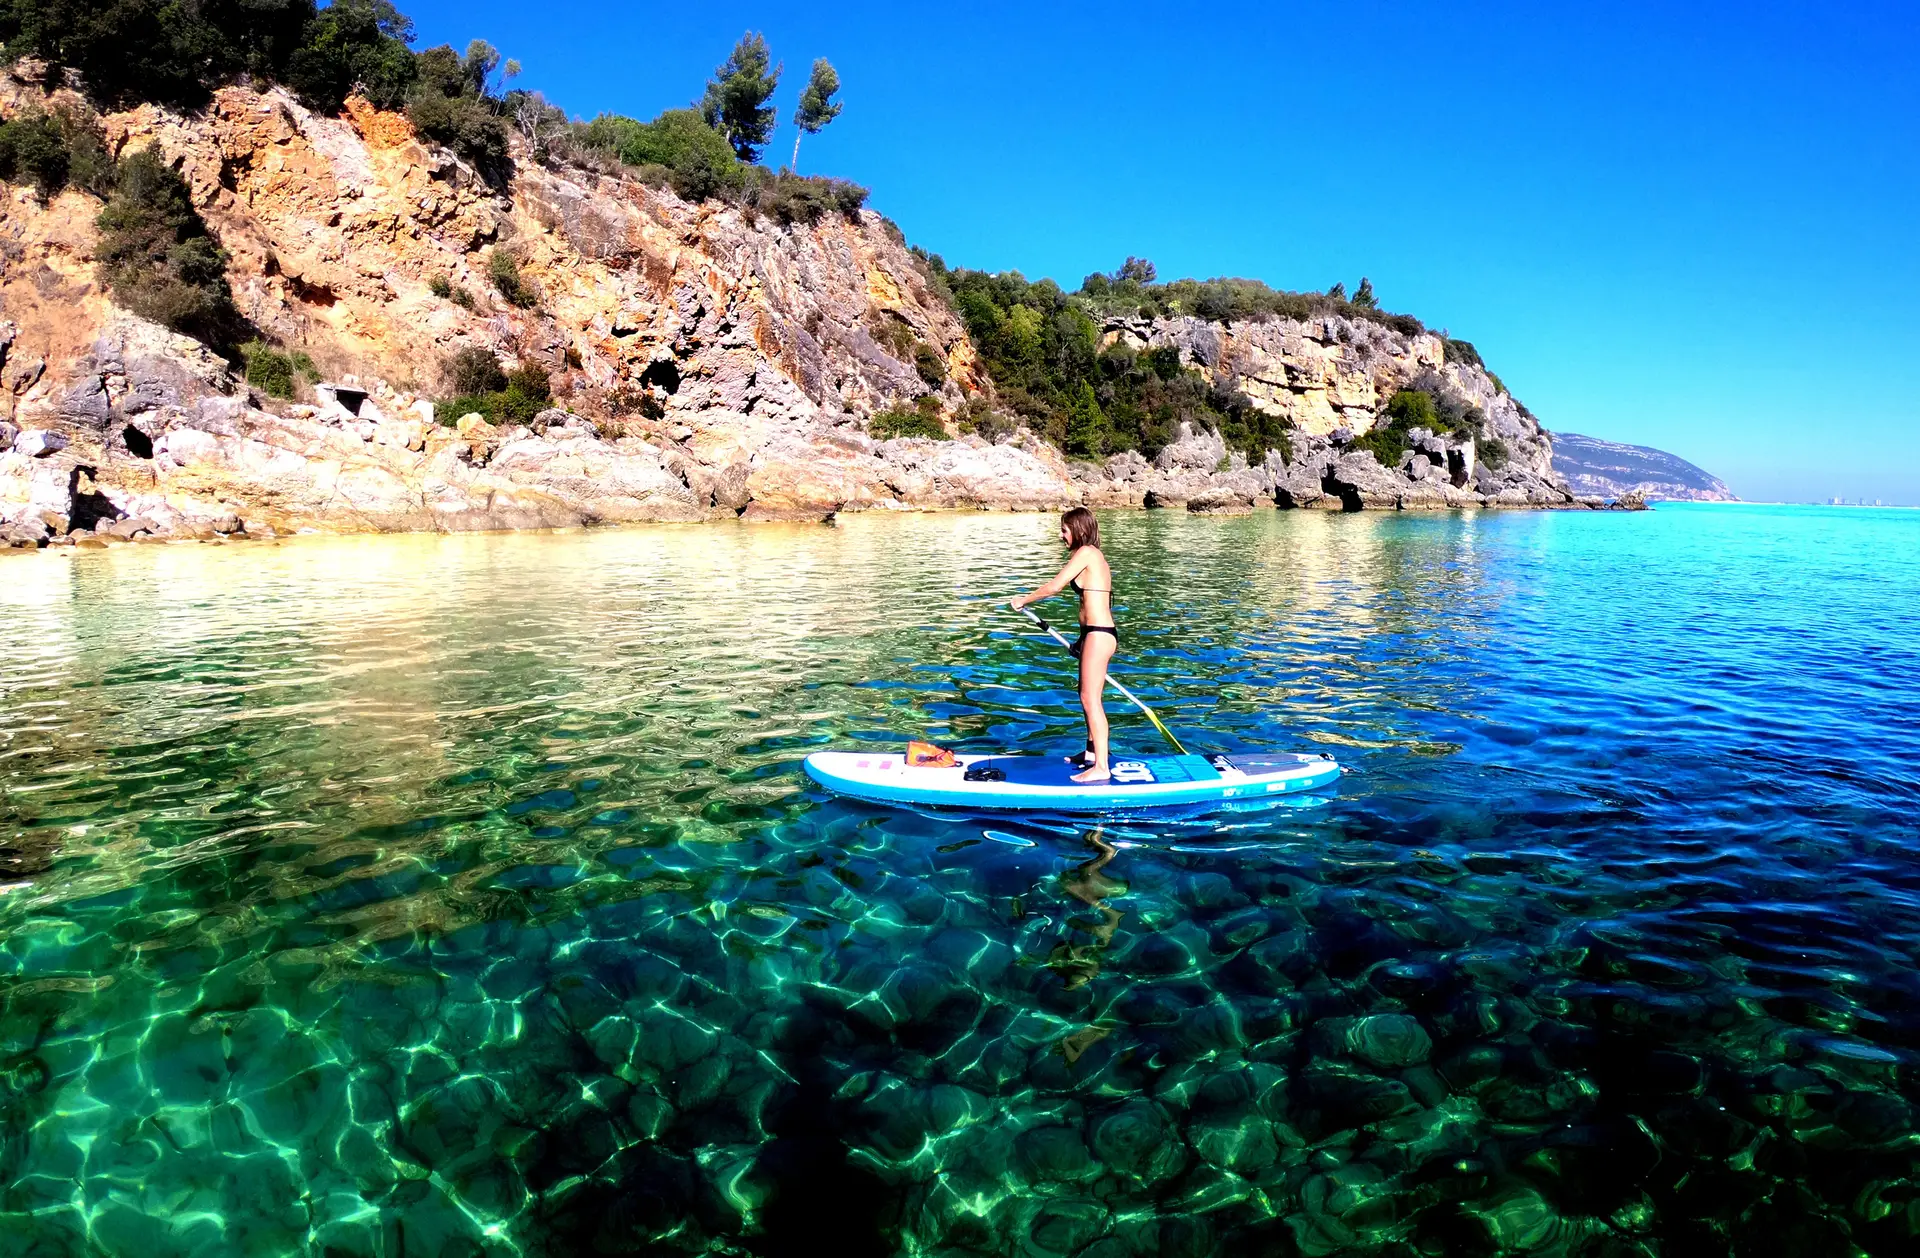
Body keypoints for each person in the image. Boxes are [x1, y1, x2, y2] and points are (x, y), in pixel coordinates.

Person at [1010, 507, 1118, 783]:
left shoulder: (1086, 553)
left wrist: (1024, 599)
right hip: (1094, 634)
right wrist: (1081, 641)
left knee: (1089, 698)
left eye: (1064, 530)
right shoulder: (1093, 555)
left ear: (1079, 530)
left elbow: (1055, 586)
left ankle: (1102, 767)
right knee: (1086, 694)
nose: (1061, 536)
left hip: (1099, 634)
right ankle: (1092, 754)